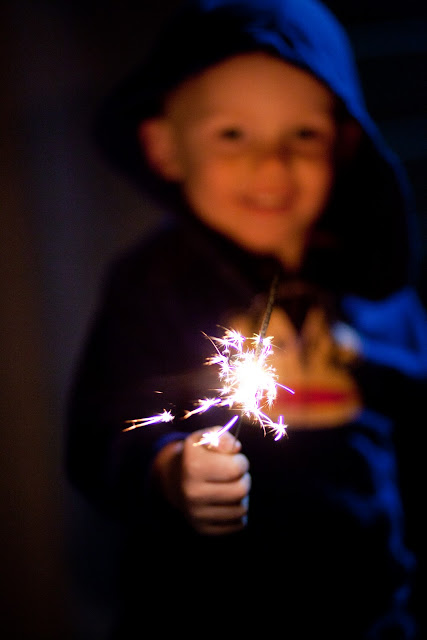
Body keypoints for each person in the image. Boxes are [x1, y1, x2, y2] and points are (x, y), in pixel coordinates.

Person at [66, 1, 427, 637]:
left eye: (303, 135)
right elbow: (98, 436)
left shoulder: (374, 282)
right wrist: (169, 470)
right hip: (200, 616)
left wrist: (356, 362)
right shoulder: (154, 285)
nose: (271, 165)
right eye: (232, 134)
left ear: (343, 143)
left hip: (369, 614)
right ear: (164, 146)